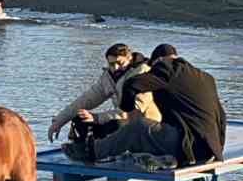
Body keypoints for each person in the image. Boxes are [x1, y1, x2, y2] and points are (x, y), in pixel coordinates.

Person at [74, 44, 227, 167]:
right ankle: (165, 159)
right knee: (153, 130)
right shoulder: (205, 77)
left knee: (138, 127)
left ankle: (91, 151)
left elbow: (132, 84)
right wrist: (218, 149)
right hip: (210, 149)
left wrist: (126, 107)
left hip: (189, 146)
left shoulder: (167, 68)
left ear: (157, 61)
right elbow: (222, 116)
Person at [47, 43, 162, 143]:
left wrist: (97, 118)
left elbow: (135, 111)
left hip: (146, 123)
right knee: (80, 118)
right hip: (121, 119)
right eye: (111, 64)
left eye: (119, 63)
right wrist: (59, 121)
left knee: (116, 125)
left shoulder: (144, 75)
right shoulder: (108, 77)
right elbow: (85, 100)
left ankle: (102, 150)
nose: (115, 68)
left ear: (130, 58)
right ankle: (83, 148)